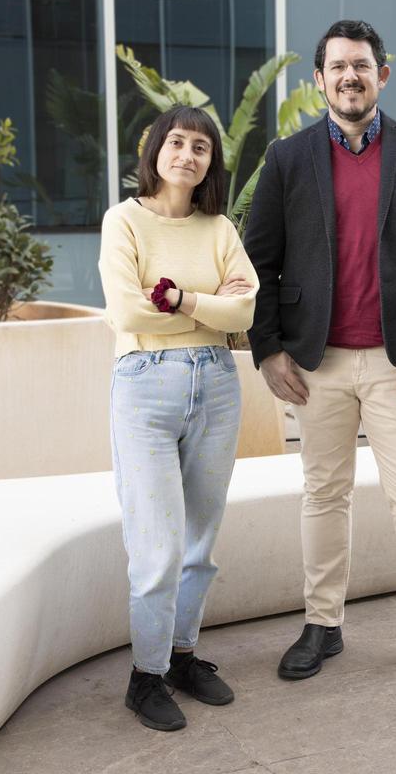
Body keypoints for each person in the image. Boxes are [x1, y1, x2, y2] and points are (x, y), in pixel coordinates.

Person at [243, 19, 396, 685]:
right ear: (318, 79)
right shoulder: (287, 159)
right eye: (337, 66)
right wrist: (267, 350)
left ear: (384, 73)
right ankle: (323, 624)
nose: (350, 76)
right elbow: (257, 262)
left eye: (362, 65)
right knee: (323, 494)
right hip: (313, 364)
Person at [98, 105, 260, 732]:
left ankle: (183, 656)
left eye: (200, 146)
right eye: (176, 143)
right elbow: (128, 313)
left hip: (217, 385)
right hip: (145, 385)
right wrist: (208, 309)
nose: (187, 155)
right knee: (157, 543)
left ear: (210, 161)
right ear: (155, 152)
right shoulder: (124, 221)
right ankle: (146, 676)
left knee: (200, 540)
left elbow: (245, 312)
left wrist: (185, 299)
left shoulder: (219, 228)